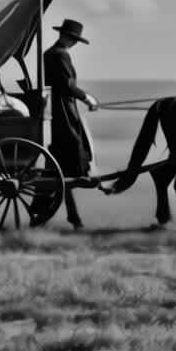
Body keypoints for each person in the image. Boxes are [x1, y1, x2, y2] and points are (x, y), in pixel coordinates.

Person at [44, 19, 99, 229]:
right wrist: (87, 98)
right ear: (69, 38)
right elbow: (67, 85)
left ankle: (73, 214)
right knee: (73, 154)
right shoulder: (60, 55)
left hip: (58, 107)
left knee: (65, 161)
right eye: (74, 40)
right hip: (63, 110)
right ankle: (84, 180)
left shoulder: (50, 53)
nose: (75, 44)